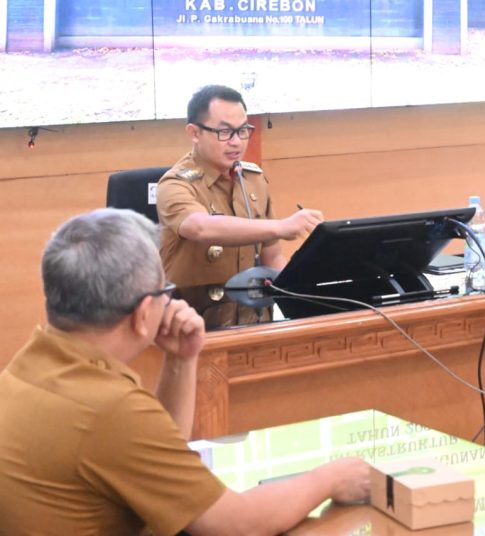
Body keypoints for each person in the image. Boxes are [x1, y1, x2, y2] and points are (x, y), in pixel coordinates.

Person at [0, 208, 370, 536]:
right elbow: (238, 525)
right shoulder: (107, 410)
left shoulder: (29, 367)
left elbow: (156, 455)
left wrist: (181, 361)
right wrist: (331, 478)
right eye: (166, 290)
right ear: (145, 313)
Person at [157, 85, 324, 287]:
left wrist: (300, 298)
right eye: (225, 132)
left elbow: (272, 259)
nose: (236, 142)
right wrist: (281, 226)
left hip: (254, 313)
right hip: (197, 314)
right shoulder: (175, 184)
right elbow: (201, 228)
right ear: (194, 133)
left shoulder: (252, 179)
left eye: (243, 130)